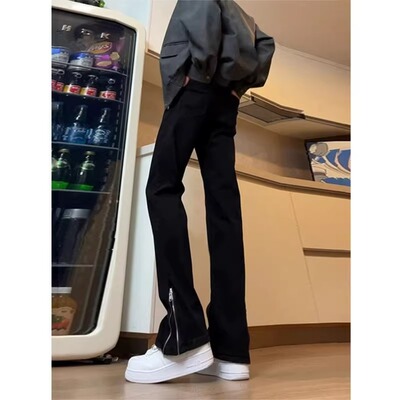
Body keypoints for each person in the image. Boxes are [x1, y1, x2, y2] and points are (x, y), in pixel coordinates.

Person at [125, 0, 275, 384]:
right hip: (225, 102)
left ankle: (184, 337)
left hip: (195, 88)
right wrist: (236, 88)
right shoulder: (244, 17)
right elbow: (266, 46)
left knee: (161, 188)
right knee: (224, 209)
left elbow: (202, 14)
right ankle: (230, 350)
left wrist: (199, 71)